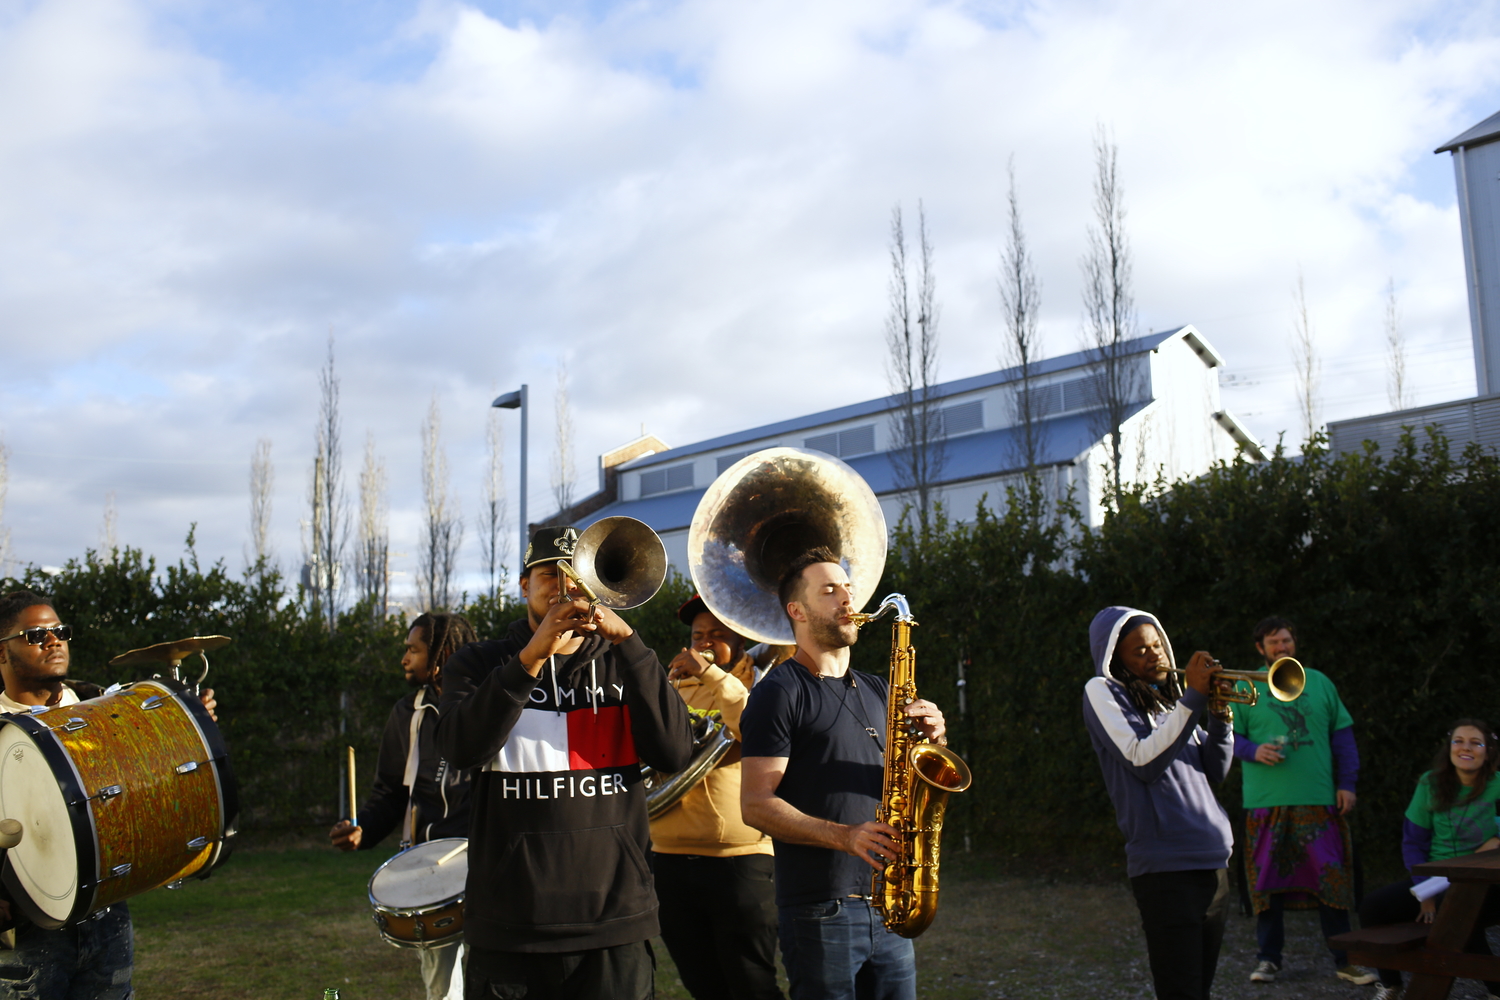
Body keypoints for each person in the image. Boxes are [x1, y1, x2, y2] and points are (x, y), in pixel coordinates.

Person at [435, 526, 693, 1000]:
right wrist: (531, 658)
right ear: (523, 587)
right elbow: (459, 748)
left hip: (613, 926)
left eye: (579, 570)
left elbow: (674, 752)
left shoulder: (626, 661)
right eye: (549, 573)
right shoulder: (477, 663)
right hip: (510, 927)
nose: (565, 582)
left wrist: (632, 646)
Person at [740, 547, 947, 1000]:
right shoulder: (778, 693)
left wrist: (934, 743)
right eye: (829, 590)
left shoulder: (880, 689)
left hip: (891, 901)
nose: (848, 599)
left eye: (848, 587)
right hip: (820, 909)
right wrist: (844, 836)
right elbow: (755, 804)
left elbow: (904, 781)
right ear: (797, 610)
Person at [0, 589, 218, 1000]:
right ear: (1, 654)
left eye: (60, 630)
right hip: (28, 933)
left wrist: (191, 723)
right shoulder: (0, 734)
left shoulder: (104, 707)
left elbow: (157, 769)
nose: (54, 640)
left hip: (108, 913)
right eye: (35, 635)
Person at [1082, 606, 1233, 1000]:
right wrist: (1196, 698)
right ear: (1115, 658)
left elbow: (1215, 770)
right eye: (1139, 651)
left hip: (1213, 860)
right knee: (1180, 990)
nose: (1155, 655)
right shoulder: (1101, 691)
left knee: (1200, 987)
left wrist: (1219, 718)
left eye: (1156, 645)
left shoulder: (1171, 701)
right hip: (1166, 868)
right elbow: (1142, 760)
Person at [329, 611, 478, 1000]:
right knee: (443, 992)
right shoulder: (407, 714)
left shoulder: (487, 704)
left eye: (413, 649)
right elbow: (390, 794)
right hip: (431, 874)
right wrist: (364, 831)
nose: (404, 658)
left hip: (488, 865)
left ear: (442, 654)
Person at [651, 594, 782, 1000]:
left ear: (741, 639)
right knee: (701, 983)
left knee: (752, 984)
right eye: (698, 635)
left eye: (717, 635)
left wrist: (711, 674)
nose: (705, 642)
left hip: (739, 860)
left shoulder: (760, 683)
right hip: (668, 857)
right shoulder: (669, 685)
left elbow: (754, 729)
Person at [1231, 616, 1374, 985]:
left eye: (1286, 641)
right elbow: (1228, 739)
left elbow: (1343, 739)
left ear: (1295, 643)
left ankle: (1346, 960)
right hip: (1266, 802)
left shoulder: (1321, 682)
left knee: (1332, 883)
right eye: (1273, 642)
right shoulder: (1246, 685)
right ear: (1260, 648)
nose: (1282, 647)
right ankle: (1268, 960)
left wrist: (1348, 784)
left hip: (1318, 800)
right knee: (1265, 885)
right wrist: (1253, 750)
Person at [1359, 718, 1500, 1000]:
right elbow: (1413, 842)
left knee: (1460, 913)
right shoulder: (1430, 783)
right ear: (1449, 747)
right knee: (1373, 908)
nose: (1466, 748)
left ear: (1488, 751)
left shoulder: (1498, 785)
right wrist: (1424, 890)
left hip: (1486, 881)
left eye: (1476, 743)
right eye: (1458, 741)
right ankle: (1390, 984)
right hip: (1436, 880)